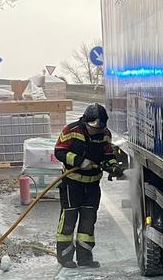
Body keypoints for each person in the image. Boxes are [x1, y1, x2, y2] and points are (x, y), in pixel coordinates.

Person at [53, 103, 124, 268]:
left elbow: (107, 154)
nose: (96, 132)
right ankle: (65, 258)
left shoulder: (105, 134)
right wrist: (79, 161)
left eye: (99, 129)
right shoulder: (71, 131)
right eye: (93, 129)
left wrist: (112, 166)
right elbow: (59, 151)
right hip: (72, 184)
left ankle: (85, 258)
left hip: (92, 186)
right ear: (85, 122)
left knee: (88, 221)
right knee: (68, 221)